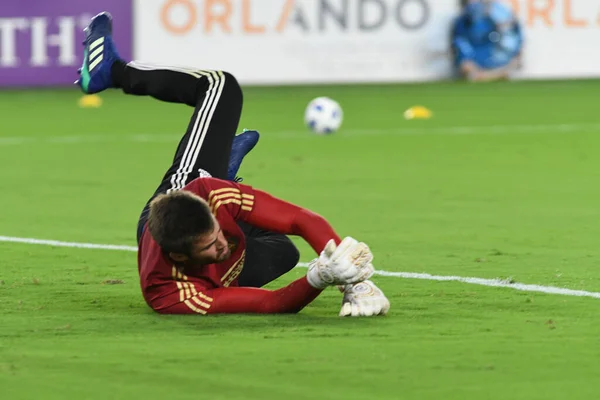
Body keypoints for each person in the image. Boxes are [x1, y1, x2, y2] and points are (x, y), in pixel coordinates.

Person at [76, 12, 391, 317]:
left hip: (188, 187)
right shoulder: (170, 293)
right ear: (180, 257)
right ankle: (223, 172)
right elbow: (270, 304)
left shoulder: (208, 196)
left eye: (217, 233)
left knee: (220, 86)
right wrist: (319, 277)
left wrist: (356, 283)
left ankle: (112, 70)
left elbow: (300, 219)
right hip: (185, 245)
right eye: (211, 247)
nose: (222, 243)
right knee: (284, 253)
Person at [451, 0, 523, 82]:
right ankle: (489, 75)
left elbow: (514, 41)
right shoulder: (464, 21)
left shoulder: (503, 15)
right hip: (476, 65)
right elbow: (461, 45)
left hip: (499, 63)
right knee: (466, 65)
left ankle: (489, 75)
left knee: (514, 62)